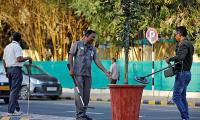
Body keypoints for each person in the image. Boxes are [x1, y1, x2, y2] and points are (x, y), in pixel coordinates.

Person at [69, 30, 110, 120]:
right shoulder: (77, 44)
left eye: (94, 38)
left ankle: (83, 114)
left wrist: (105, 71)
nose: (93, 39)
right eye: (92, 37)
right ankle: (79, 116)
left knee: (86, 96)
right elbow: (71, 55)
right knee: (79, 96)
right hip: (78, 74)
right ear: (86, 36)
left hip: (88, 75)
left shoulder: (93, 49)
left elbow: (96, 60)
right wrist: (71, 68)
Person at [166, 26, 194, 120]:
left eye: (176, 34)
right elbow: (184, 59)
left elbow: (180, 58)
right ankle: (186, 118)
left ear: (180, 34)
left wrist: (170, 59)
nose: (175, 36)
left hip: (182, 74)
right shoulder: (189, 43)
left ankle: (185, 117)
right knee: (182, 97)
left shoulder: (183, 44)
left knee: (176, 97)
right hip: (186, 73)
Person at [3, 32, 32, 115]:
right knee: (14, 91)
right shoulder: (17, 47)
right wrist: (28, 58)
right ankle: (11, 111)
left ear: (12, 38)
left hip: (9, 70)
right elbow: (19, 59)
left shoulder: (7, 47)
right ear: (20, 39)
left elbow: (4, 61)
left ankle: (17, 110)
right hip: (16, 70)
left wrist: (6, 71)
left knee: (12, 90)